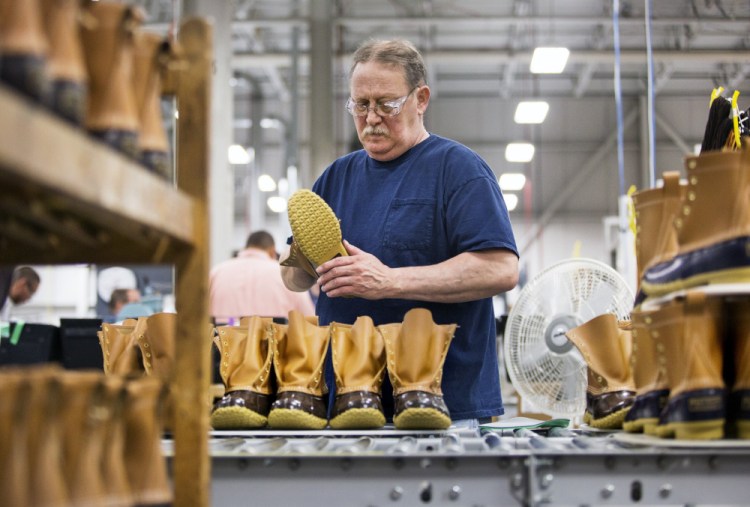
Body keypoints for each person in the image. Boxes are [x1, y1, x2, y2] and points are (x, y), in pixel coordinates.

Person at [280, 39, 519, 425]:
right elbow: (292, 279)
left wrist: (389, 280)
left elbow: (500, 269)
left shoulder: (459, 170)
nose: (371, 118)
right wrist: (305, 258)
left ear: (420, 98)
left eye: (386, 104)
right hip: (344, 404)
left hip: (444, 407)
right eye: (360, 105)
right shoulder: (335, 177)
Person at [210, 230, 315, 323]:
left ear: (246, 247)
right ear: (272, 251)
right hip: (274, 343)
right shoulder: (284, 275)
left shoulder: (216, 272)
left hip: (223, 341)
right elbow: (310, 319)